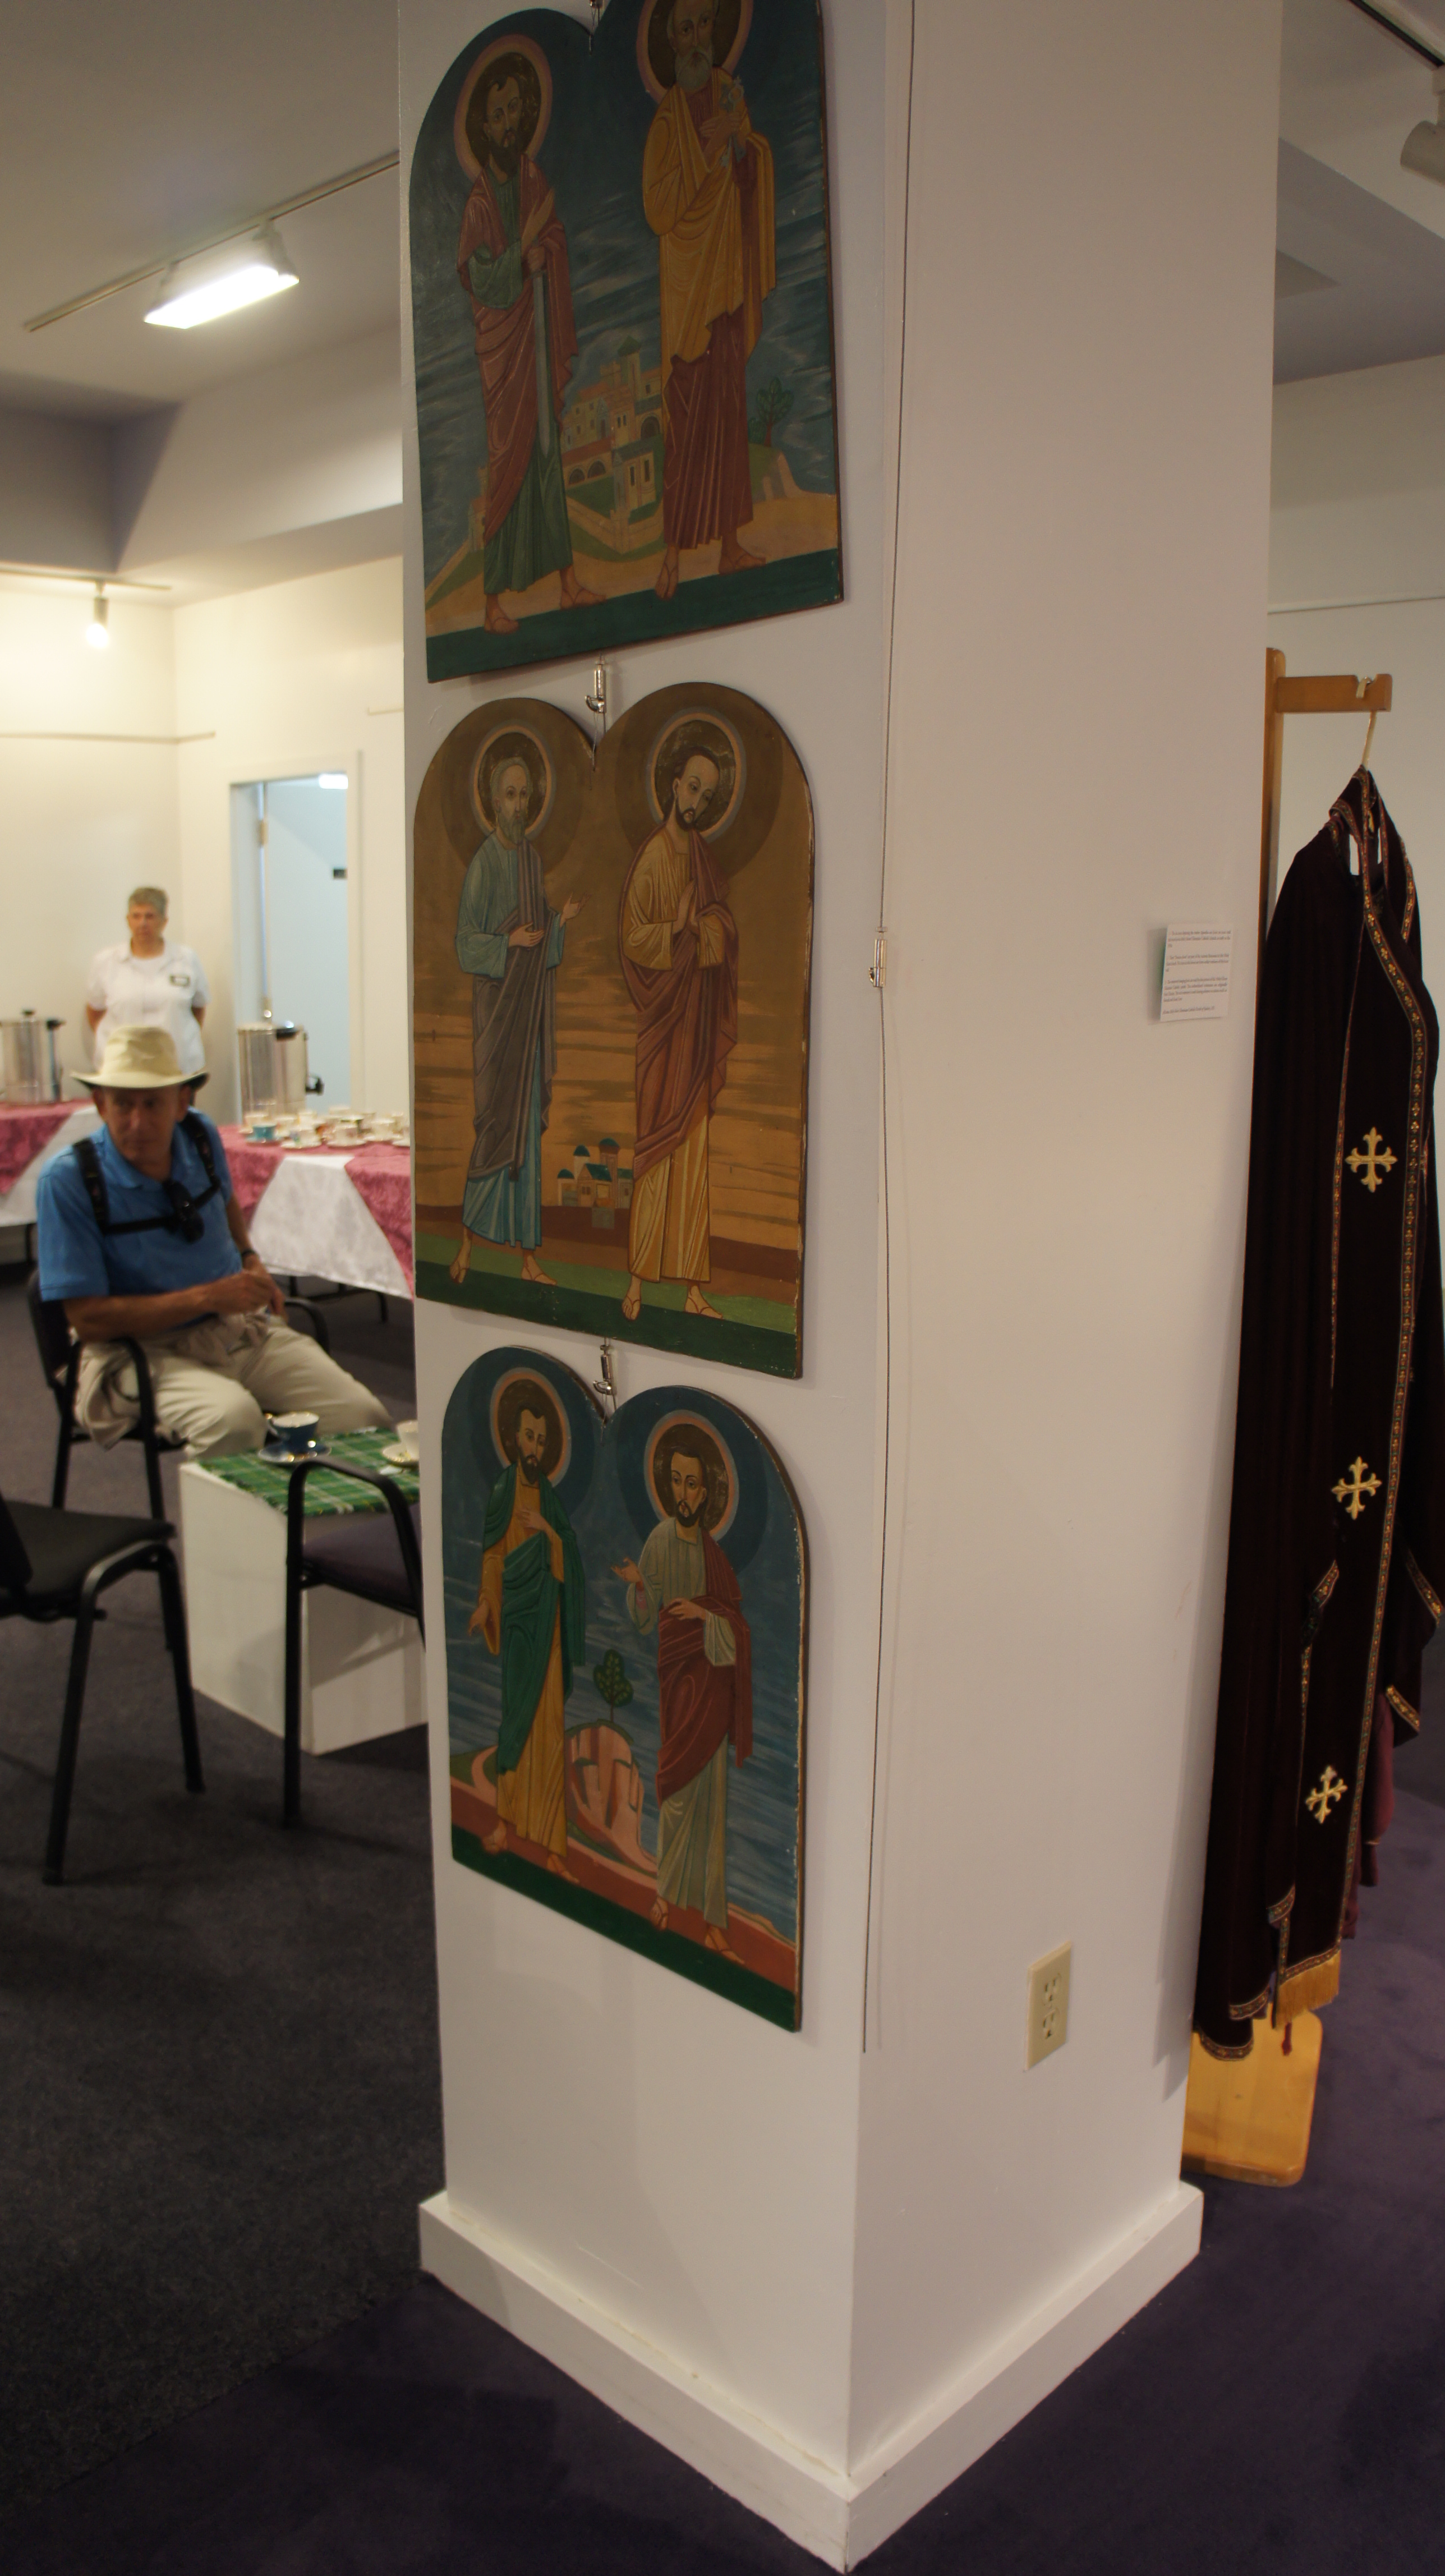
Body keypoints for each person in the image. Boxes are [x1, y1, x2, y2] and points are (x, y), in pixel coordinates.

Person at [36, 1025, 391, 1459]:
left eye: (152, 1103)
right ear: (100, 1104)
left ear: (182, 1102)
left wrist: (249, 1257)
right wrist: (208, 1296)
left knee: (364, 1419)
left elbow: (223, 1200)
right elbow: (89, 1320)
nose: (137, 1122)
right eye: (123, 1104)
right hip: (138, 1351)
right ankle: (241, 1506)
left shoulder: (200, 1137)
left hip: (234, 1331)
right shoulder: (70, 1181)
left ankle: (311, 1504)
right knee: (233, 1423)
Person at [457, 52, 602, 635]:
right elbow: (480, 278)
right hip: (504, 352)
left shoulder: (534, 179)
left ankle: (567, 583)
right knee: (505, 462)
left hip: (536, 336)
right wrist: (522, 256)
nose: (508, 122)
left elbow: (554, 235)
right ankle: (492, 602)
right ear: (484, 127)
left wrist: (547, 252)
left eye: (515, 109)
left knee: (547, 454)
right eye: (497, 114)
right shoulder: (478, 205)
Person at [642, 0, 776, 600]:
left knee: (727, 411)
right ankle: (670, 557)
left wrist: (739, 145)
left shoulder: (729, 97)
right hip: (688, 290)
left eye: (703, 24)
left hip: (726, 278)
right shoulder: (665, 125)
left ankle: (729, 547)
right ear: (670, 41)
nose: (697, 37)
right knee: (686, 419)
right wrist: (706, 148)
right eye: (685, 28)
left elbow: (750, 172)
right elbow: (658, 210)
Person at [613, 1436, 751, 1953]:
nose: (683, 1493)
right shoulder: (659, 1541)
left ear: (707, 1493)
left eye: (692, 1484)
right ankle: (666, 1896)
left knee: (711, 1805)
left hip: (711, 1689)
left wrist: (705, 1615)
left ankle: (713, 1919)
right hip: (678, 1686)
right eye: (676, 1482)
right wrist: (639, 1585)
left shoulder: (716, 1558)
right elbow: (646, 1617)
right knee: (675, 1790)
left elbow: (736, 1630)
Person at [450, 752, 582, 1289]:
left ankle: (527, 1257)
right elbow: (466, 945)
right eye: (510, 795)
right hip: (498, 1020)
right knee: (493, 1130)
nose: (519, 805)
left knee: (525, 1139)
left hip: (527, 1022)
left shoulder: (531, 860)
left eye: (525, 795)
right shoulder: (484, 864)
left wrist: (558, 925)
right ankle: (466, 1246)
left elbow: (541, 938)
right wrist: (508, 942)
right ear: (492, 801)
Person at [619, 739, 738, 1322]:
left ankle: (691, 1287)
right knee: (654, 1152)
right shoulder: (652, 858)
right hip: (663, 1026)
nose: (697, 802)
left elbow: (724, 927)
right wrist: (676, 928)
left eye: (707, 796)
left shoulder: (702, 859)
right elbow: (632, 938)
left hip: (696, 1021)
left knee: (693, 1153)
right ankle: (637, 1282)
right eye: (692, 788)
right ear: (672, 785)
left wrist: (702, 929)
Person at [468, 1381, 586, 1873]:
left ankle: (555, 1848)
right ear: (514, 1438)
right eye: (529, 1437)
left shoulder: (550, 1498)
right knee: (515, 1724)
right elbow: (494, 1556)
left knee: (551, 1735)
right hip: (518, 1626)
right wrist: (486, 1603)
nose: (535, 1447)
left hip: (549, 1630)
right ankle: (504, 1823)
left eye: (542, 1439)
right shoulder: (503, 1490)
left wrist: (549, 1533)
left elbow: (570, 1555)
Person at [86, 886, 209, 1083]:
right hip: (122, 1069)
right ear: (128, 920)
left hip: (176, 1068)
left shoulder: (186, 959)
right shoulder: (106, 961)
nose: (142, 924)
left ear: (164, 921)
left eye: (150, 916)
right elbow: (95, 1011)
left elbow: (198, 1009)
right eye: (136, 916)